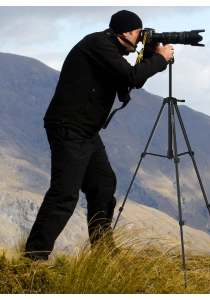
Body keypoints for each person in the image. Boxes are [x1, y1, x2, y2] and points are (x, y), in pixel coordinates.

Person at [24, 10, 174, 261]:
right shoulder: (98, 44)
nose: (140, 39)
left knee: (103, 185)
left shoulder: (109, 50)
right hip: (69, 128)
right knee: (64, 193)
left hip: (85, 131)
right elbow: (132, 76)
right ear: (125, 32)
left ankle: (104, 252)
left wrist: (149, 56)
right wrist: (159, 59)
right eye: (139, 34)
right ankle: (33, 257)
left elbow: (131, 81)